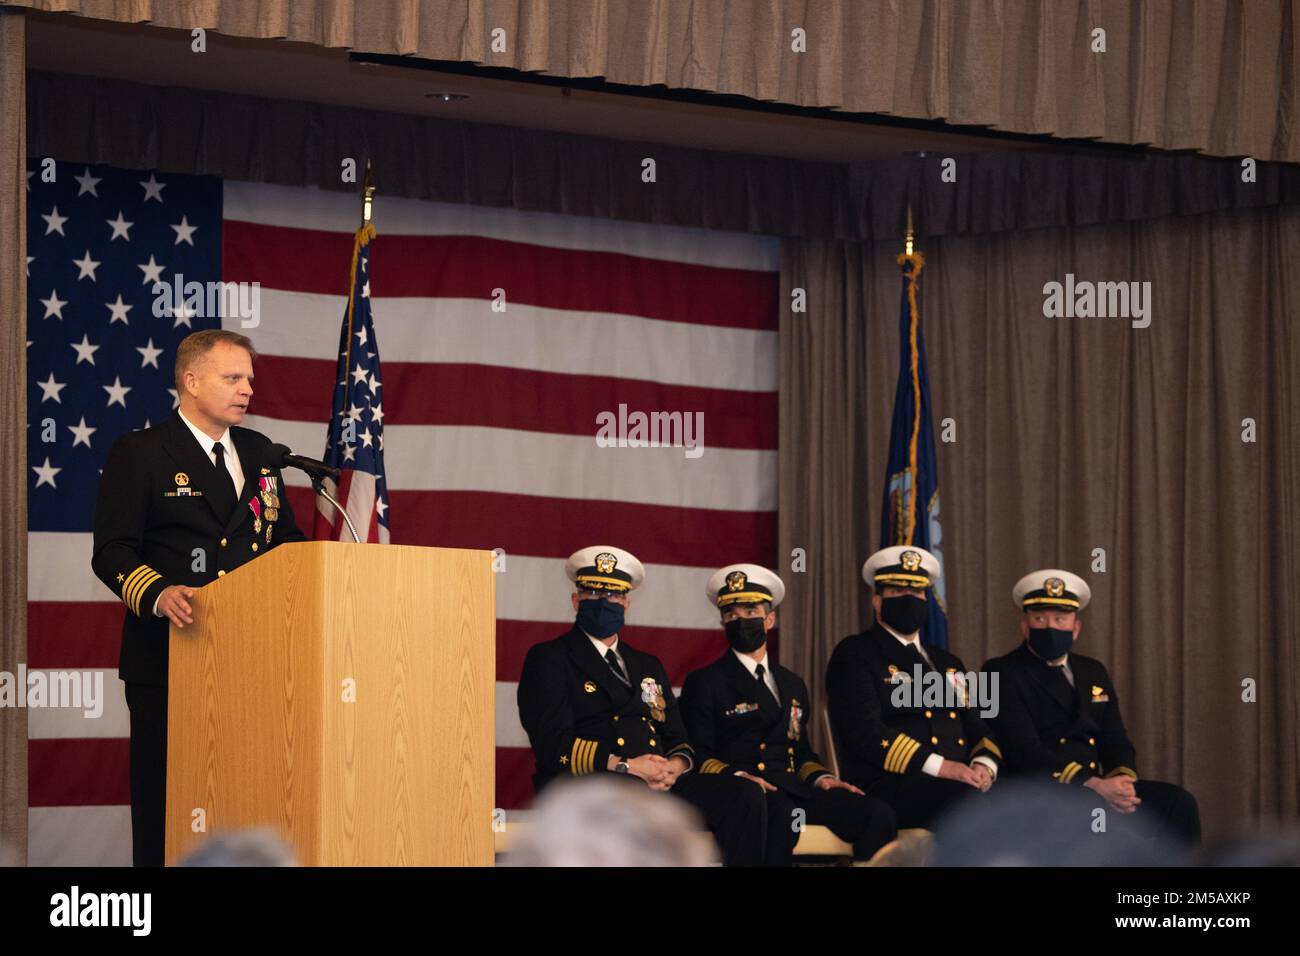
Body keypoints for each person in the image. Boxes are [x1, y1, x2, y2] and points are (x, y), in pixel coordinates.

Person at [91, 330, 305, 866]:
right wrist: (158, 593)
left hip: (253, 661)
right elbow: (111, 550)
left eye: (250, 379)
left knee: (247, 803)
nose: (247, 389)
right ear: (190, 381)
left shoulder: (262, 453)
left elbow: (288, 545)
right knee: (169, 807)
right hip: (170, 657)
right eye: (233, 378)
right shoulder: (140, 452)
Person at [516, 546, 769, 865]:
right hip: (592, 783)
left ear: (626, 604)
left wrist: (673, 768)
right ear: (576, 601)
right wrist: (629, 766)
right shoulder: (549, 658)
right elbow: (552, 744)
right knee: (627, 808)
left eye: (613, 595)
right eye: (593, 593)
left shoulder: (647, 664)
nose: (603, 602)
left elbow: (678, 736)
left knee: (743, 796)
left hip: (656, 783)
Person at [680, 563, 897, 864]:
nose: (740, 621)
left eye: (750, 612)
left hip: (795, 789)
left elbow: (801, 751)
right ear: (722, 623)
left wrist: (822, 778)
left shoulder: (791, 683)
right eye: (731, 615)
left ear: (769, 619)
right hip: (749, 794)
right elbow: (698, 752)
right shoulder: (706, 681)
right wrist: (738, 776)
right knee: (778, 814)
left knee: (876, 814)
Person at [982, 569, 1201, 845]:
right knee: (1090, 812)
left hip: (1099, 787)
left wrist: (1121, 781)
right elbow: (1023, 752)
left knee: (1177, 803)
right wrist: (1094, 784)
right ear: (1024, 626)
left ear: (1076, 628)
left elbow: (1115, 739)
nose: (1051, 627)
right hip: (1042, 789)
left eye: (1060, 619)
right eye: (1040, 619)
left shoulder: (1092, 671)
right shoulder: (997, 672)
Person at [825, 546, 1001, 828]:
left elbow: (980, 726)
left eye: (917, 593)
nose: (910, 600)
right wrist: (944, 768)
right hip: (888, 784)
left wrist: (983, 766)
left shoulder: (948, 663)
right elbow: (865, 732)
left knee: (1022, 805)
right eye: (897, 592)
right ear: (877, 602)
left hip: (959, 784)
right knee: (968, 806)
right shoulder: (855, 653)